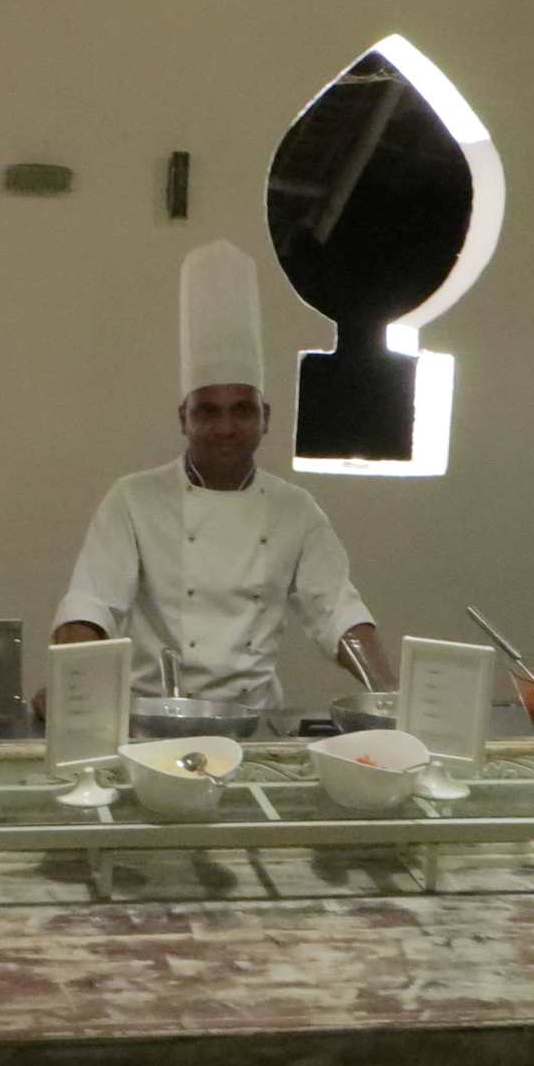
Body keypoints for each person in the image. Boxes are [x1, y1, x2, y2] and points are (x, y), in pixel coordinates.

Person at [48, 240, 395, 713]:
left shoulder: (295, 510)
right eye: (208, 411)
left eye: (241, 410)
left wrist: (390, 692)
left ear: (265, 417)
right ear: (184, 419)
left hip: (256, 719)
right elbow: (92, 604)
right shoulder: (134, 499)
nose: (226, 428)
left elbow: (337, 611)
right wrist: (74, 682)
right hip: (155, 716)